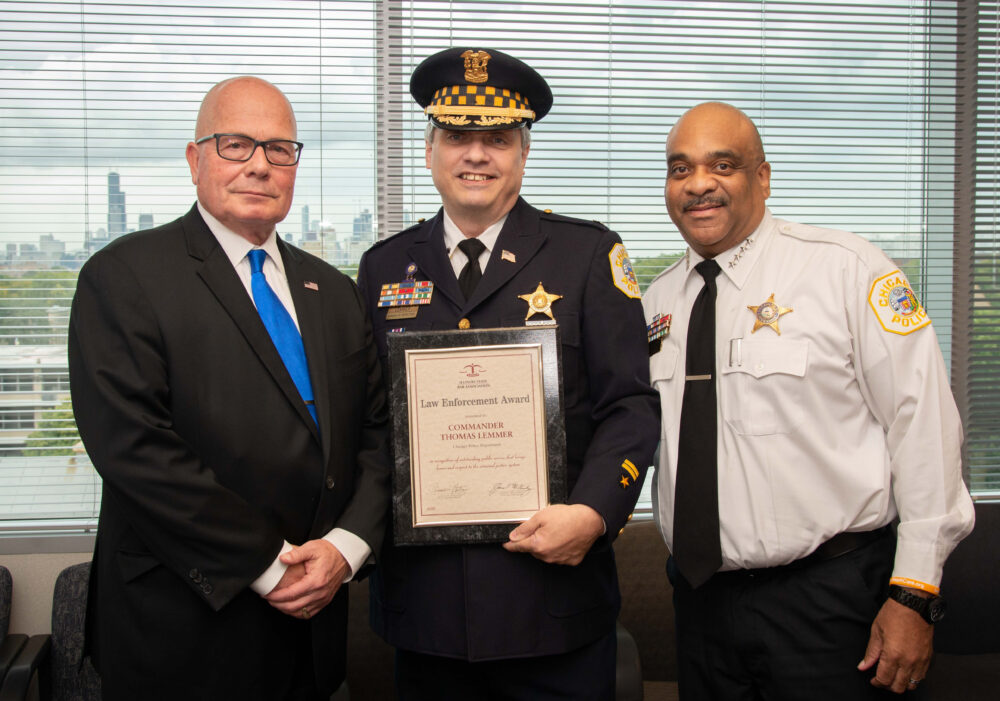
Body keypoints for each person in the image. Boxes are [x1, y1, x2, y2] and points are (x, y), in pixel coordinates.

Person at [68, 76, 391, 700]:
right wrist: (270, 567)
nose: (259, 167)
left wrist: (346, 548)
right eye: (236, 145)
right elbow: (135, 451)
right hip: (182, 631)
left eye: (279, 149)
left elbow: (376, 434)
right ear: (196, 160)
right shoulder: (124, 277)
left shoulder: (335, 291)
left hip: (315, 631)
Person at [643, 101, 975, 699]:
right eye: (679, 168)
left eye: (723, 164)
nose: (698, 185)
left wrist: (915, 593)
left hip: (829, 601)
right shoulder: (657, 302)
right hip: (701, 603)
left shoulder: (846, 269)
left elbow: (923, 425)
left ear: (762, 178)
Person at [356, 48, 660, 699]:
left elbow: (630, 407)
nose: (476, 155)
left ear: (522, 154)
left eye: (496, 138)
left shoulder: (588, 255)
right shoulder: (383, 268)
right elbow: (372, 424)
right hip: (427, 615)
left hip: (553, 610)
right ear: (430, 149)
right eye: (458, 136)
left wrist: (594, 512)